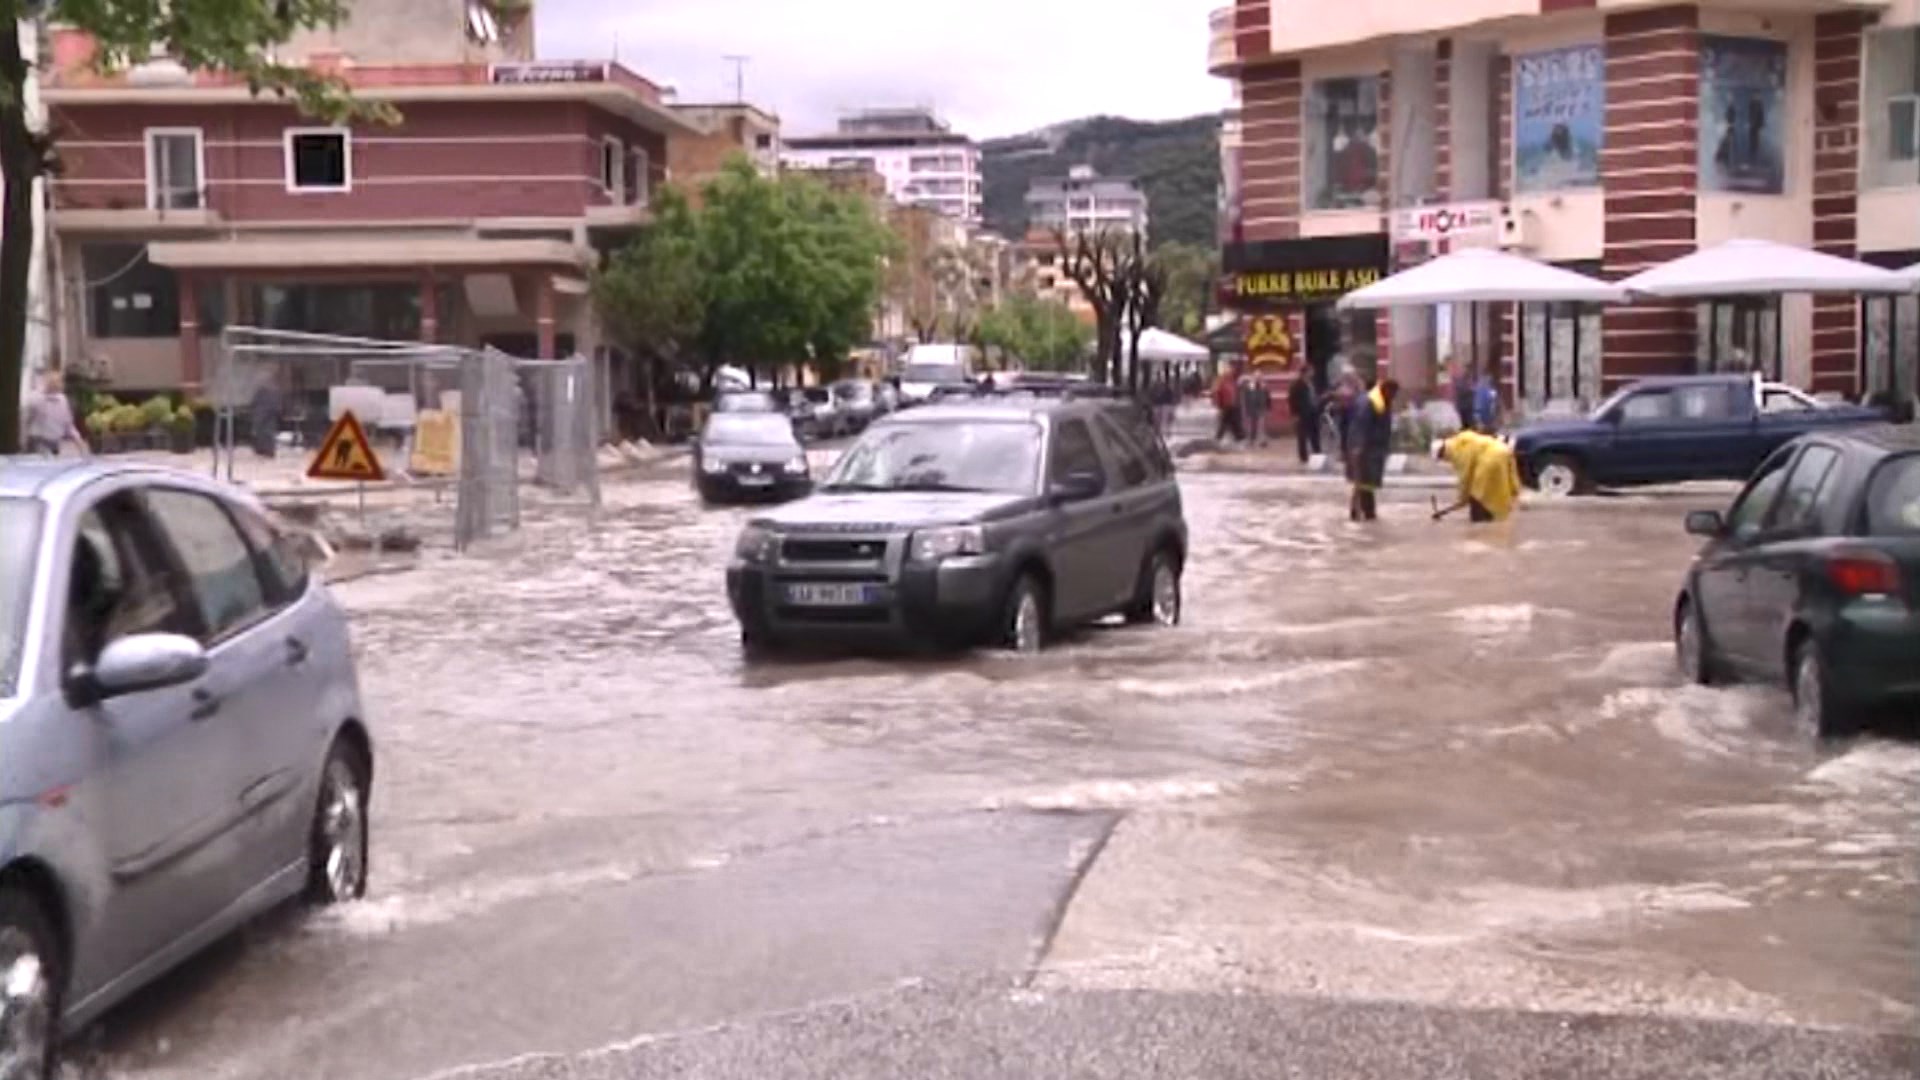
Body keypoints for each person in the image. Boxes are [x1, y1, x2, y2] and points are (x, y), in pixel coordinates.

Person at [1435, 429, 1522, 523]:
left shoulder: (1457, 452)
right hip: (1504, 451)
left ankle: (1481, 524)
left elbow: (1465, 478)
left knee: (1477, 496)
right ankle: (1494, 521)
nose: (1444, 460)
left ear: (1442, 451)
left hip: (1491, 459)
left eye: (1441, 457)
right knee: (1495, 492)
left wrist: (1462, 499)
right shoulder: (1461, 441)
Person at [1347, 378, 1399, 522]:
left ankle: (1363, 511)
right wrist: (1358, 447)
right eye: (1393, 394)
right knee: (1365, 481)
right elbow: (1362, 426)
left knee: (1366, 481)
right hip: (1366, 448)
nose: (1394, 398)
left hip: (1372, 447)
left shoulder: (1380, 400)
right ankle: (1366, 512)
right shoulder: (1370, 403)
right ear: (1387, 390)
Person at [21, 371, 87, 456]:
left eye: (58, 382)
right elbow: (26, 419)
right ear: (46, 382)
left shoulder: (62, 400)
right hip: (38, 441)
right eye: (53, 382)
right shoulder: (35, 398)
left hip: (55, 443)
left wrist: (79, 442)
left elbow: (68, 424)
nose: (56, 384)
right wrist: (23, 439)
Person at [1288, 365, 1320, 464]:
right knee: (1302, 436)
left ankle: (1317, 453)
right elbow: (1291, 400)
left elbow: (1313, 396)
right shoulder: (1296, 384)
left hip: (1313, 412)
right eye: (1311, 371)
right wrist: (1295, 414)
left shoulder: (1311, 383)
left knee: (1315, 433)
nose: (1313, 373)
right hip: (1302, 413)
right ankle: (1303, 457)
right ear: (1305, 372)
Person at [1211, 367, 1242, 443]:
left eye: (1231, 372)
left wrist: (1237, 403)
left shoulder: (1232, 382)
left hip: (1233, 405)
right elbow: (1217, 394)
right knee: (1225, 423)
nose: (1230, 373)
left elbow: (1236, 393)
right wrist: (1218, 405)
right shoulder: (1221, 382)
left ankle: (1238, 438)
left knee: (1233, 422)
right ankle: (1219, 438)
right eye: (1229, 372)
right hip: (1225, 406)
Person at [1242, 373, 1272, 447]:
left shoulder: (1264, 387)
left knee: (1261, 426)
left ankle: (1262, 441)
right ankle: (1251, 441)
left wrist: (1268, 407)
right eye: (1256, 377)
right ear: (1253, 378)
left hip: (1261, 409)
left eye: (1259, 377)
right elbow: (1246, 398)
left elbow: (1268, 398)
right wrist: (1246, 409)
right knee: (1251, 426)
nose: (1258, 379)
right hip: (1251, 409)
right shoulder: (1249, 387)